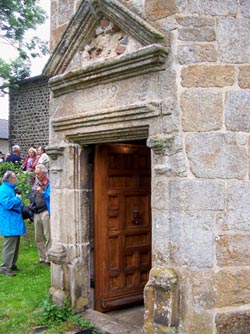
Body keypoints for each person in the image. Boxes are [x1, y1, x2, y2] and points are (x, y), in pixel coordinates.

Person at [0, 171, 26, 276]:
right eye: (15, 178)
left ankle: (12, 264)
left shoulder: (10, 188)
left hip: (14, 220)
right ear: (9, 179)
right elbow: (7, 204)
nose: (16, 180)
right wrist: (17, 199)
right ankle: (5, 267)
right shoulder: (3, 190)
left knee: (15, 245)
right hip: (9, 221)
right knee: (9, 245)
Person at [30, 164, 51, 266]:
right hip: (36, 211)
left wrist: (42, 192)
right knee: (38, 236)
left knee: (48, 235)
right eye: (36, 174)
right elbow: (32, 196)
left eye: (38, 174)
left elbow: (51, 196)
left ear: (44, 173)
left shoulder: (49, 183)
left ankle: (48, 258)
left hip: (45, 211)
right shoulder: (35, 183)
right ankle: (42, 257)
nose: (37, 176)